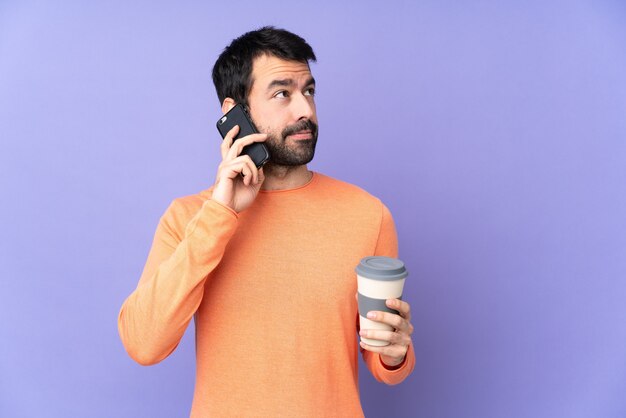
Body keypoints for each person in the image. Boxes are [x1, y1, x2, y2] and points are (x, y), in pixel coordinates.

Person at [118, 26, 415, 417]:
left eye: (308, 90)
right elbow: (144, 343)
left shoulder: (368, 214)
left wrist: (395, 353)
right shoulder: (190, 217)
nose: (305, 110)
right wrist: (221, 215)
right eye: (282, 94)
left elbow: (382, 362)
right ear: (234, 113)